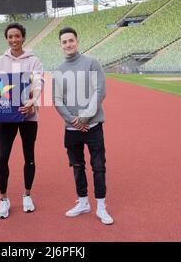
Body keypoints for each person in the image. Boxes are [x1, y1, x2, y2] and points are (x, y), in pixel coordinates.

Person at [52, 27, 113, 225]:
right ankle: (83, 202)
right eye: (64, 42)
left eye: (71, 40)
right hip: (71, 129)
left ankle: (101, 206)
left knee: (98, 167)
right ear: (60, 45)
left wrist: (85, 118)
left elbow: (100, 91)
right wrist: (73, 121)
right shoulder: (59, 70)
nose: (68, 44)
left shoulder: (91, 63)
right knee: (77, 166)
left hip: (93, 126)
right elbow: (57, 99)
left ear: (77, 41)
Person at [0, 22, 43, 219]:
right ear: (7, 39)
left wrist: (33, 99)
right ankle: (3, 199)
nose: (14, 40)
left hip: (29, 116)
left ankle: (27, 195)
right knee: (3, 157)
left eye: (17, 36)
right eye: (10, 36)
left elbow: (38, 82)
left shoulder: (34, 61)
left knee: (29, 157)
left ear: (23, 37)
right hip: (6, 117)